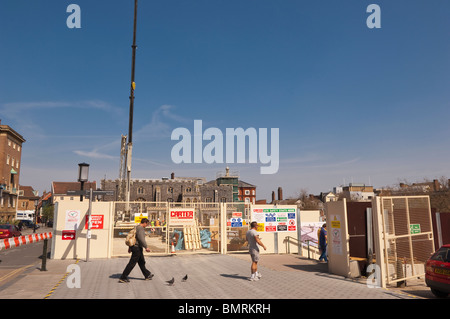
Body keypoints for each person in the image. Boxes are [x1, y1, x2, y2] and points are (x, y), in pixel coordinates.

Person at [119, 218, 154, 283]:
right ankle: (123, 277)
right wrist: (146, 247)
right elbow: (141, 239)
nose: (146, 225)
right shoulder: (140, 229)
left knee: (141, 262)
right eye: (147, 224)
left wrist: (130, 247)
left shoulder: (136, 227)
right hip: (137, 248)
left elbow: (133, 237)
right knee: (132, 263)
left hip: (136, 247)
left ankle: (147, 275)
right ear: (145, 223)